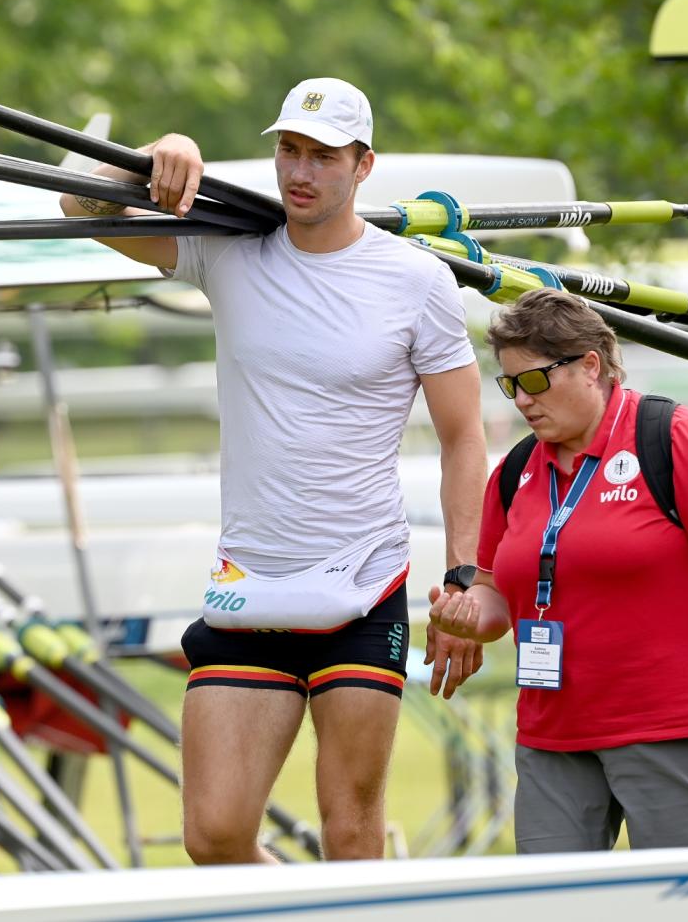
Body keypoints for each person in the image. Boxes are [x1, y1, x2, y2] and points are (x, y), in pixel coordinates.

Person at [60, 77, 488, 863]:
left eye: (323, 156)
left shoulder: (417, 279)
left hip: (362, 585)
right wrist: (158, 154)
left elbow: (464, 438)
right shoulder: (227, 250)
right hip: (250, 585)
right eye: (289, 150)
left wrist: (465, 574)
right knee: (214, 835)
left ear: (363, 165)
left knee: (350, 832)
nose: (300, 171)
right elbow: (78, 208)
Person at [429, 287, 688, 855]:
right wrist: (463, 613)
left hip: (673, 730)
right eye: (510, 384)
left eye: (534, 380)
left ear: (590, 365)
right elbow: (495, 599)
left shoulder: (674, 437)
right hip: (551, 738)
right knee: (554, 898)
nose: (522, 400)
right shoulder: (516, 470)